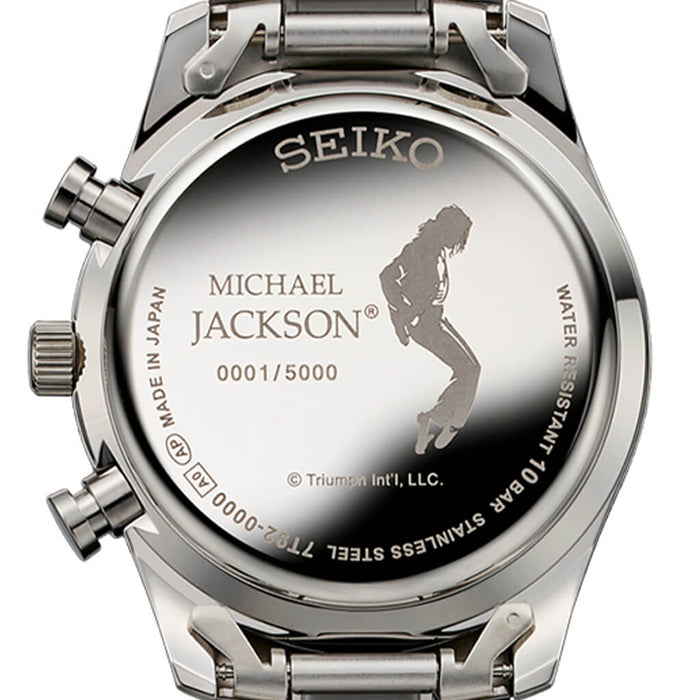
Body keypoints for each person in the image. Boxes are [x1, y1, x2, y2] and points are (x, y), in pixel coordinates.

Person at [380, 205, 481, 454]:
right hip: (424, 322)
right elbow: (386, 276)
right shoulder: (419, 249)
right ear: (448, 229)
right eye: (458, 235)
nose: (459, 242)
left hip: (434, 317)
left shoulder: (437, 249)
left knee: (469, 369)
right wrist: (402, 313)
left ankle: (435, 419)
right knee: (470, 369)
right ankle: (449, 423)